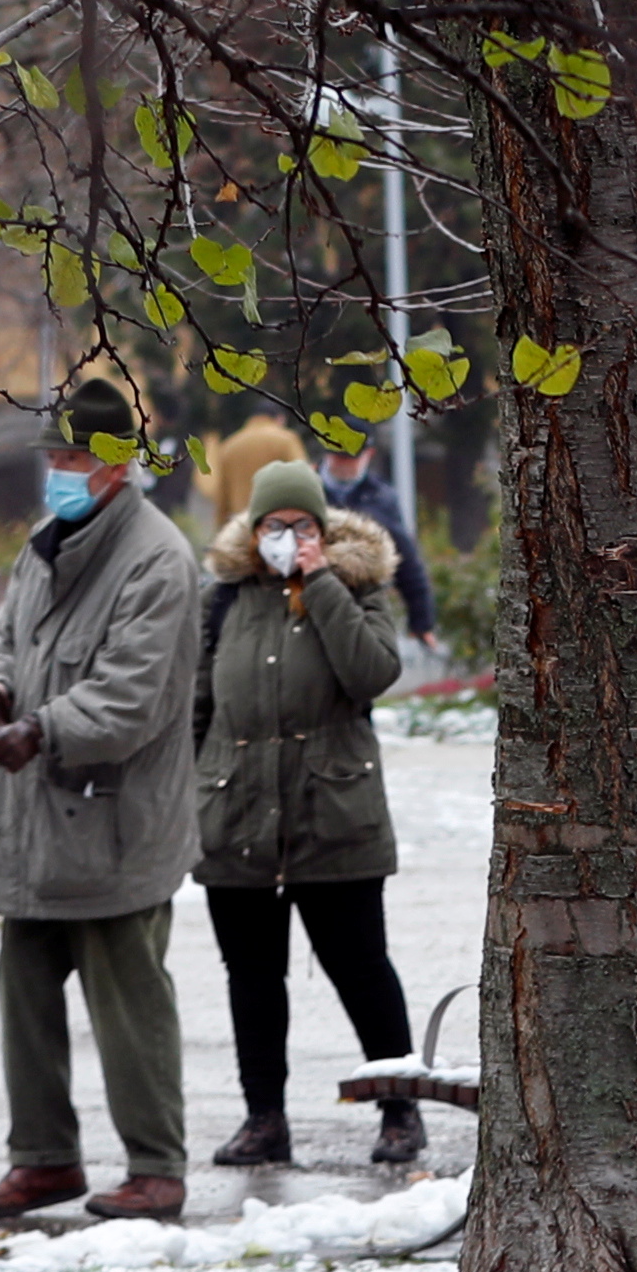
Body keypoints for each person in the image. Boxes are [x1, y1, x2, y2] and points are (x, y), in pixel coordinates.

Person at [0, 377, 204, 1223]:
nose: (55, 473)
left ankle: (156, 1165)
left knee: (129, 1004)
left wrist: (40, 729)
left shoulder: (157, 557)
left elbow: (132, 697)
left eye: (69, 457)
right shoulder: (46, 541)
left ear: (111, 464)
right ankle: (42, 1160)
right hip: (32, 827)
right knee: (24, 1000)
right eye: (52, 457)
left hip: (114, 823)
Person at [194, 458, 422, 1173]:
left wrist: (320, 582)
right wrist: (192, 793)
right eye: (273, 524)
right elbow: (198, 704)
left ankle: (399, 1109)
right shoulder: (225, 600)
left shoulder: (357, 588)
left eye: (300, 524)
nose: (286, 536)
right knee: (252, 977)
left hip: (335, 813)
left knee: (358, 966)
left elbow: (372, 673)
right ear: (252, 528)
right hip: (239, 817)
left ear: (321, 529)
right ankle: (264, 1119)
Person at [325, 449, 442, 641]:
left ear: (368, 455)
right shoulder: (306, 489)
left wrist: (421, 621)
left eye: (351, 458)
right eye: (339, 457)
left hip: (361, 601)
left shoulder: (380, 497)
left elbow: (405, 558)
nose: (344, 464)